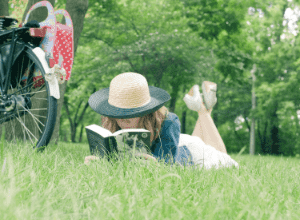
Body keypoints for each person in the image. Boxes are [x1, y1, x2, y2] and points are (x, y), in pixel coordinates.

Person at [85, 72, 239, 169]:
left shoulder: (168, 122)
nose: (124, 118)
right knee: (200, 139)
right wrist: (99, 163)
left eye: (131, 112)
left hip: (191, 153)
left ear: (145, 111)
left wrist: (155, 165)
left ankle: (203, 111)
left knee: (223, 157)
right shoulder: (110, 122)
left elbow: (168, 165)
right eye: (119, 112)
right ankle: (201, 106)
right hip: (177, 141)